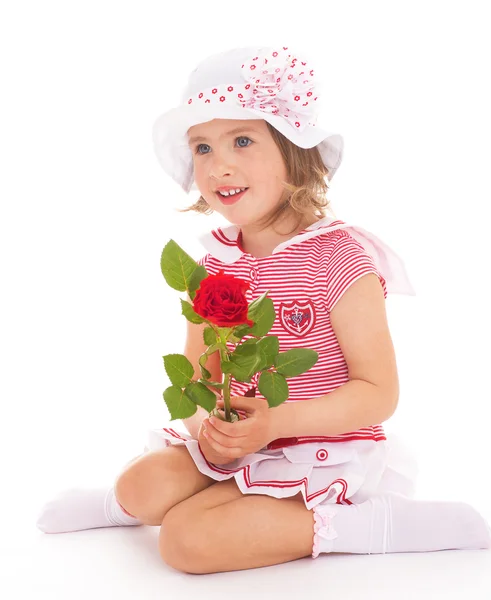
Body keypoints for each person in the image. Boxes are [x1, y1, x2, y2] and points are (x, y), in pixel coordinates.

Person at [36, 45, 491, 573]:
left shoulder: (340, 258)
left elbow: (378, 392)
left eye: (243, 140)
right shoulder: (213, 263)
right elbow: (199, 381)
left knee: (186, 542)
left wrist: (275, 422)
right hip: (244, 442)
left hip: (319, 446)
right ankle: (129, 506)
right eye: (201, 147)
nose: (218, 164)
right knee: (141, 482)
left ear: (295, 154)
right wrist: (213, 424)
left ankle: (365, 525)